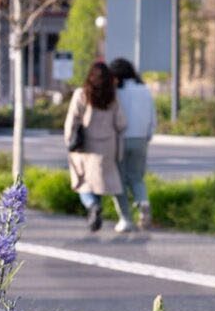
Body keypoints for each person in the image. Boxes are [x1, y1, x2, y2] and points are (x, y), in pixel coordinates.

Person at [64, 62, 127, 232]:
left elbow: (73, 119)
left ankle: (92, 206)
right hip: (107, 145)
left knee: (83, 182)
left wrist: (69, 140)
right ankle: (95, 212)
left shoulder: (81, 94)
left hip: (85, 145)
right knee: (98, 181)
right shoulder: (112, 96)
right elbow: (121, 123)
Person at [109, 58, 155, 231]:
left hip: (120, 139)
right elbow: (152, 114)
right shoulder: (144, 89)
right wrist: (148, 134)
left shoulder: (115, 92)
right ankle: (143, 202)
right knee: (136, 177)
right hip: (141, 138)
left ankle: (125, 219)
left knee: (118, 181)